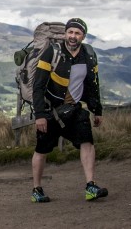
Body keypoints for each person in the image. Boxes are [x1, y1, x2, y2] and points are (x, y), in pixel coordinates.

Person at [31, 18, 108, 203]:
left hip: (75, 110)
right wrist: (39, 115)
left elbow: (93, 84)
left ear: (83, 36)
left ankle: (91, 186)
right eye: (70, 32)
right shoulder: (52, 52)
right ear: (65, 34)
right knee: (42, 149)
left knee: (87, 142)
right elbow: (38, 86)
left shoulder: (89, 55)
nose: (73, 36)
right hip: (51, 112)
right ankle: (37, 189)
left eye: (77, 33)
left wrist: (97, 110)